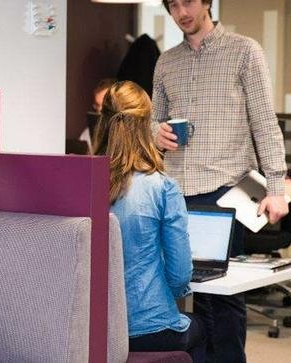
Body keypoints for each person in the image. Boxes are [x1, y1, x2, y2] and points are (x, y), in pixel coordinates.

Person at [153, 1, 288, 361]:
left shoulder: (245, 52)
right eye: (174, 5)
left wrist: (276, 188)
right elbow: (153, 121)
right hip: (175, 192)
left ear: (207, 2)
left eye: (189, 2)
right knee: (176, 290)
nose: (182, 11)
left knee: (221, 298)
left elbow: (264, 123)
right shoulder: (166, 61)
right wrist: (156, 133)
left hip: (225, 192)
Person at [91, 80, 206, 362]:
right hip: (148, 326)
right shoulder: (162, 187)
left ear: (102, 121)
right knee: (202, 328)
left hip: (93, 328)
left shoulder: (82, 182)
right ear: (146, 124)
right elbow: (180, 275)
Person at [80, 78, 118, 149]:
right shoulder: (87, 135)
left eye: (104, 105)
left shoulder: (127, 133)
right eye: (97, 105)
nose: (100, 109)